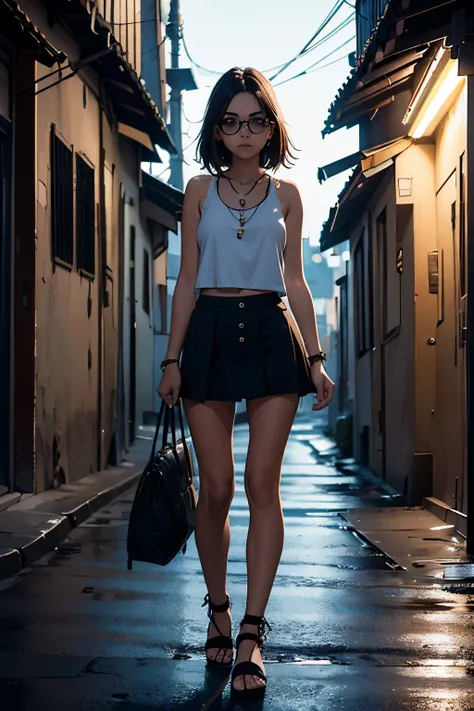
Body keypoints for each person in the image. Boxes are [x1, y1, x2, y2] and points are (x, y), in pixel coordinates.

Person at [157, 66, 335, 702]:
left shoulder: (287, 194)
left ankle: (253, 637)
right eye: (231, 121)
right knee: (216, 490)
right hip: (206, 331)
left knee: (263, 483)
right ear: (216, 129)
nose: (244, 131)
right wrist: (171, 359)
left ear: (271, 127)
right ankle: (219, 610)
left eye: (256, 120)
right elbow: (186, 279)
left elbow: (296, 283)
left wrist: (314, 358)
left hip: (269, 333)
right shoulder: (199, 191)